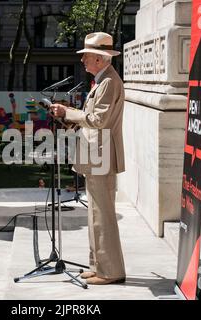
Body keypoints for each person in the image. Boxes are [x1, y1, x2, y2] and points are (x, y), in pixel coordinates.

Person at [51, 32, 126, 285]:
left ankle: (110, 271)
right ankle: (98, 266)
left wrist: (68, 113)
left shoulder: (108, 82)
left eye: (85, 56)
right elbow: (93, 119)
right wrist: (68, 117)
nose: (82, 61)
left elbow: (98, 120)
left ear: (98, 58)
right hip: (96, 155)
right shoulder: (103, 81)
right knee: (96, 214)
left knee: (102, 215)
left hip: (101, 156)